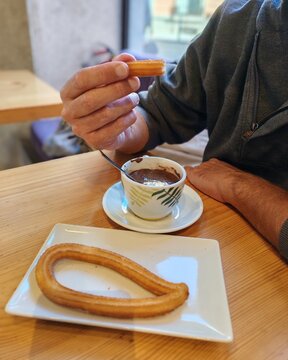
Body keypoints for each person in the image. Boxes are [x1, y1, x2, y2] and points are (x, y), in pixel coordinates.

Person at [60, 0, 288, 262]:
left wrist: (241, 186)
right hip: (207, 237)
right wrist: (117, 125)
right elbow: (161, 112)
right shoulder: (237, 16)